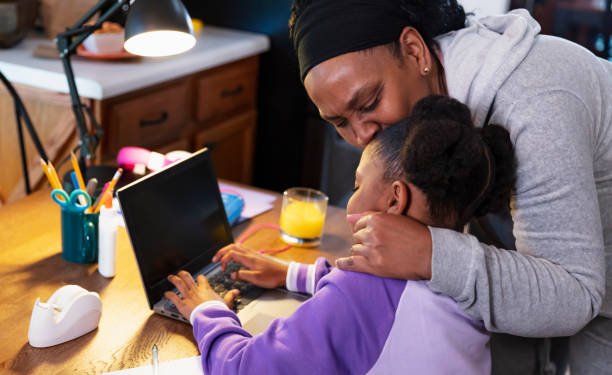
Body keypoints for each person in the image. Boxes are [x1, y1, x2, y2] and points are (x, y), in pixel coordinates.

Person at [289, 0, 612, 373]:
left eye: (370, 101)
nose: (361, 135)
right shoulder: (432, 116)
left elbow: (572, 295)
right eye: (339, 122)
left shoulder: (533, 100)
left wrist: (431, 254)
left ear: (415, 51)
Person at [165, 95, 516, 374]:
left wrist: (207, 311)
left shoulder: (361, 290)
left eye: (358, 184)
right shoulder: (464, 274)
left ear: (395, 199)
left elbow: (243, 368)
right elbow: (386, 303)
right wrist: (288, 273)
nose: (352, 197)